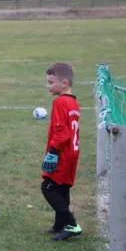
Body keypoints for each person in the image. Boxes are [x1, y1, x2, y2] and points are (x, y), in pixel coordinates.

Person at [40, 62, 82, 241]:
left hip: (63, 153)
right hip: (73, 152)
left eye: (51, 82)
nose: (48, 86)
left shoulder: (59, 102)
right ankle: (60, 225)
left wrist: (52, 152)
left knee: (48, 186)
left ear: (64, 83)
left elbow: (62, 133)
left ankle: (71, 224)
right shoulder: (73, 102)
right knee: (62, 188)